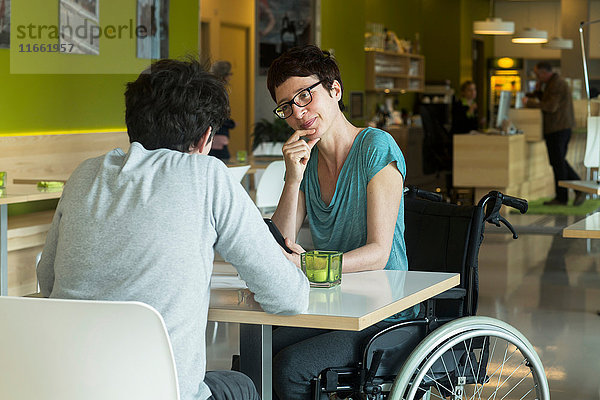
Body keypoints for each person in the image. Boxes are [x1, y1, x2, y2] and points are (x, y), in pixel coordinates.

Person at [37, 58, 310, 400]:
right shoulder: (206, 176)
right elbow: (288, 299)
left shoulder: (85, 175)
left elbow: (47, 282)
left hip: (67, 388)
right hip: (163, 392)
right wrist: (287, 266)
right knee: (240, 385)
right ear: (206, 138)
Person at [266, 45, 421, 400]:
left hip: (385, 313)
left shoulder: (376, 148)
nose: (298, 113)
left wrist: (306, 263)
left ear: (334, 90)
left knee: (291, 367)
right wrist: (292, 179)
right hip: (336, 306)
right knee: (258, 351)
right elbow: (281, 242)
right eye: (287, 107)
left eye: (305, 96)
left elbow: (378, 254)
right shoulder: (307, 160)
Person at [525, 61, 585, 206]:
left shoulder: (556, 83)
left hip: (558, 128)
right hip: (557, 128)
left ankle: (563, 198)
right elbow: (548, 102)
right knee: (559, 162)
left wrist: (529, 102)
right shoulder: (552, 83)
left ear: (545, 72)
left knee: (558, 163)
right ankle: (579, 190)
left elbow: (550, 107)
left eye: (538, 74)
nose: (537, 77)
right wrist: (539, 92)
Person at [208, 60, 235, 160]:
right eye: (230, 74)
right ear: (224, 75)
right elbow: (218, 115)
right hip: (215, 140)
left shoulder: (211, 89)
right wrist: (230, 123)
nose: (230, 77)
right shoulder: (217, 92)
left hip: (212, 139)